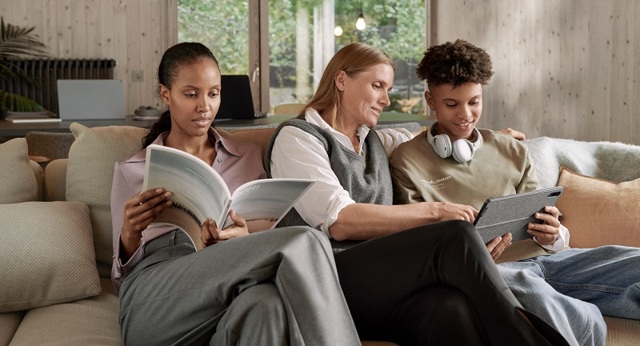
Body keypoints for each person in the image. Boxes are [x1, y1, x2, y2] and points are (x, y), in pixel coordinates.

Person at [264, 42, 570, 345]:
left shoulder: (375, 141)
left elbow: (434, 137)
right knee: (455, 234)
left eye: (388, 90)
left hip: (382, 284)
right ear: (342, 80)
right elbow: (340, 220)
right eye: (377, 86)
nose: (386, 100)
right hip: (325, 278)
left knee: (452, 309)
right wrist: (437, 210)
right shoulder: (298, 138)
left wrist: (492, 141)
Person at [389, 39, 640, 346]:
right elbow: (420, 242)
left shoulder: (510, 149)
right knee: (534, 294)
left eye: (474, 102)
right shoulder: (406, 161)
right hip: (495, 273)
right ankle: (587, 322)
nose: (465, 114)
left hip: (549, 260)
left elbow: (545, 216)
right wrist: (476, 259)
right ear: (430, 100)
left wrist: (554, 233)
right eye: (451, 104)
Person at [110, 42, 361, 345]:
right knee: (306, 240)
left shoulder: (246, 156)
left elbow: (268, 226)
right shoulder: (131, 168)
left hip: (230, 275)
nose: (205, 106)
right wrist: (129, 233)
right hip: (156, 298)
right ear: (166, 94)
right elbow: (119, 278)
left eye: (213, 94)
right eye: (191, 94)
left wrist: (243, 236)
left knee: (265, 306)